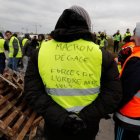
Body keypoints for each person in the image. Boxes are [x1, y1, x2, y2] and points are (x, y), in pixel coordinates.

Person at [23, 5, 122, 140]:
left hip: (54, 126)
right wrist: (84, 118)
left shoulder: (40, 52)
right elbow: (113, 95)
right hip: (87, 127)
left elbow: (32, 92)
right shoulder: (102, 55)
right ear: (87, 25)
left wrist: (62, 119)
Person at [114, 23, 140, 140]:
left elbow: (125, 91)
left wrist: (111, 106)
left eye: (134, 34)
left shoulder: (136, 59)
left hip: (129, 117)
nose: (131, 38)